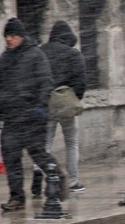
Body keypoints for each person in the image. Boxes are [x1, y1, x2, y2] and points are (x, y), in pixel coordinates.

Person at [0, 18, 68, 211]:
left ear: (21, 36)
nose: (9, 39)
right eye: (7, 36)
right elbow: (2, 87)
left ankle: (59, 179)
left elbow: (46, 82)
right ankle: (17, 197)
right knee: (10, 157)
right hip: (11, 116)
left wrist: (41, 106)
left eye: (13, 36)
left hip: (32, 116)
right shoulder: (4, 58)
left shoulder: (35, 55)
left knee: (38, 154)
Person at [31, 20, 87, 196]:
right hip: (66, 103)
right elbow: (81, 81)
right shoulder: (73, 54)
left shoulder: (40, 52)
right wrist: (73, 98)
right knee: (71, 142)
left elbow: (34, 79)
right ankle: (73, 181)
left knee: (45, 144)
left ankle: (40, 177)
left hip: (45, 102)